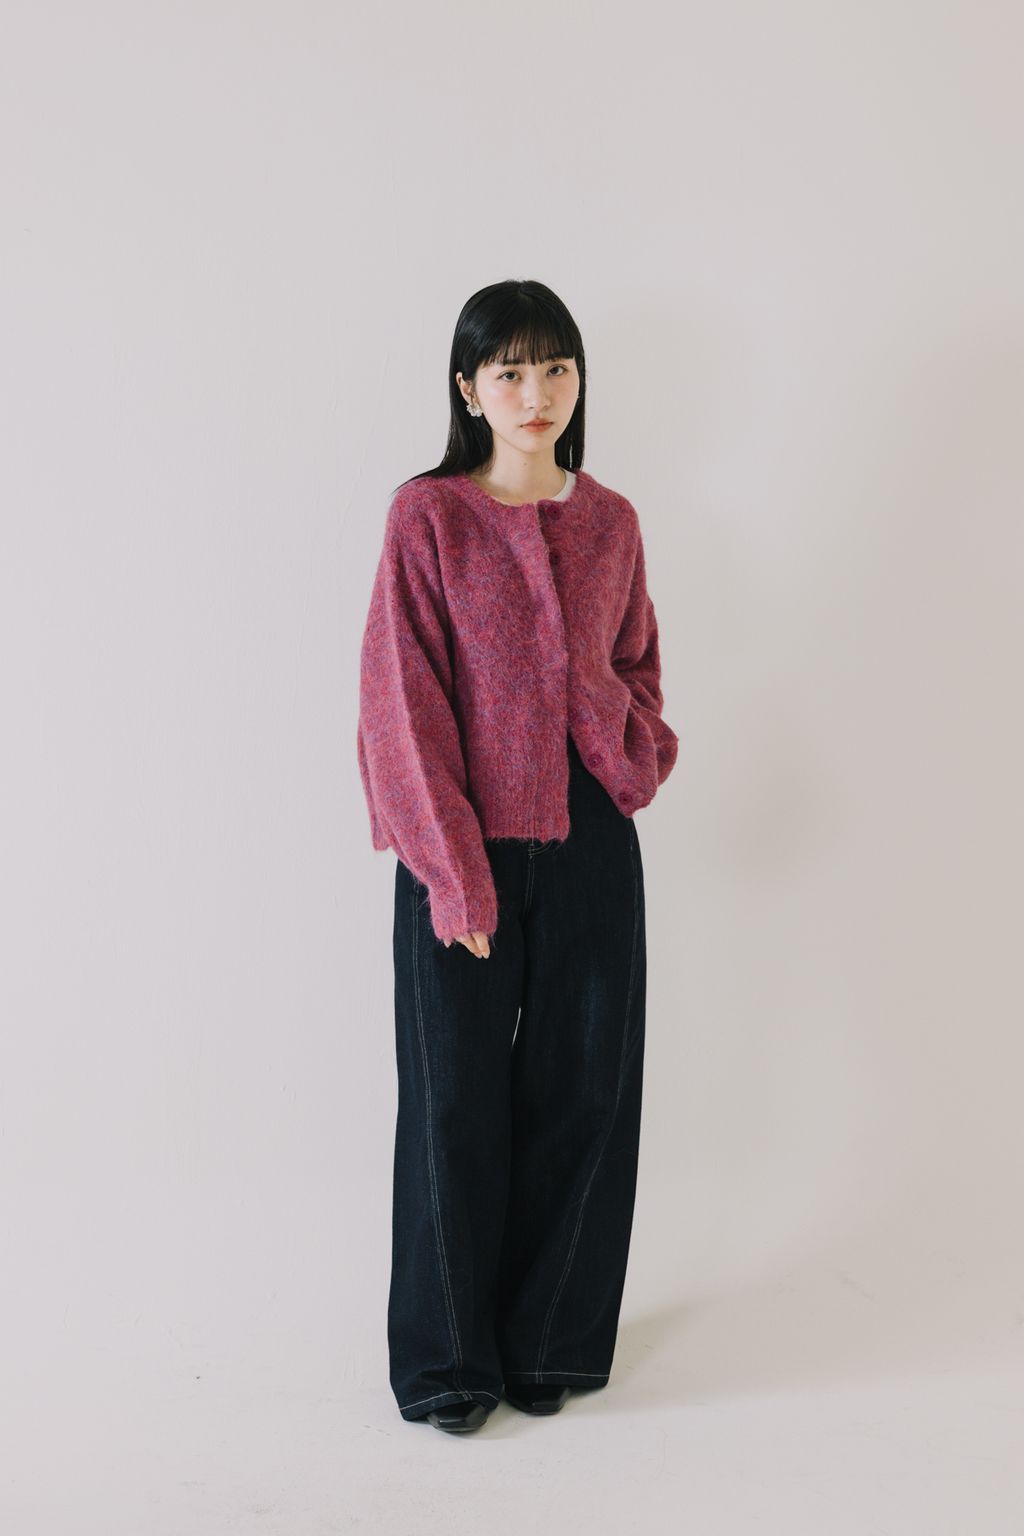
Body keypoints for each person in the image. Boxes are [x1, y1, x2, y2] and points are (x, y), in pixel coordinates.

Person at [357, 278, 679, 1432]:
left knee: (584, 1093)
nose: (534, 393)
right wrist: (453, 876)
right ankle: (449, 1360)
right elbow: (401, 704)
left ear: (577, 380)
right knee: (455, 1103)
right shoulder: (428, 517)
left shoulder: (612, 522)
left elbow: (636, 670)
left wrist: (622, 745)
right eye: (509, 372)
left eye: (555, 368)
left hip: (590, 841)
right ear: (468, 388)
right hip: (465, 844)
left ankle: (550, 1342)